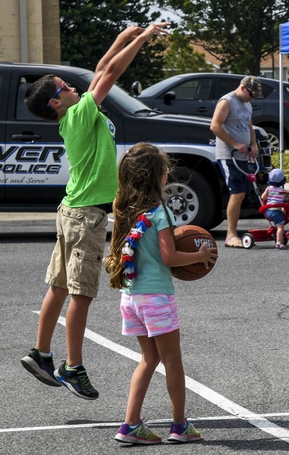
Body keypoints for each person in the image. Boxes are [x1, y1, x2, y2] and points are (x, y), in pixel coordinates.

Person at [20, 22, 169, 401]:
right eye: (64, 88)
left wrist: (124, 35)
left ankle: (40, 353)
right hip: (85, 216)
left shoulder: (75, 112)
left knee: (58, 286)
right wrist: (144, 37)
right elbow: (112, 73)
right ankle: (73, 367)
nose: (72, 87)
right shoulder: (81, 114)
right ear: (56, 102)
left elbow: (102, 66)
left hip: (72, 210)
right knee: (81, 294)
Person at [103, 143, 217, 445]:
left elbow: (118, 253)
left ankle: (130, 425)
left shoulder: (122, 207)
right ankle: (179, 425)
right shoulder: (159, 212)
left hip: (130, 297)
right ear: (155, 177)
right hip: (156, 298)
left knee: (148, 359)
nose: (168, 173)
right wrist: (199, 256)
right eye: (165, 170)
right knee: (172, 361)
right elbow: (169, 257)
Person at [211, 76, 262, 248]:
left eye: (255, 96)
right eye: (251, 94)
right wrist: (234, 144)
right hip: (228, 155)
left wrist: (253, 145)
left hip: (244, 156)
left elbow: (249, 127)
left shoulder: (247, 105)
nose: (252, 98)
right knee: (237, 193)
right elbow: (215, 126)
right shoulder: (227, 102)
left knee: (242, 195)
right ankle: (230, 235)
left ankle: (234, 232)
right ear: (242, 87)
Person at [261, 168, 289, 249]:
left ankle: (280, 239)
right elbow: (282, 200)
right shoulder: (283, 190)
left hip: (268, 210)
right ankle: (278, 243)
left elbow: (263, 197)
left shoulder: (269, 188)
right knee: (281, 226)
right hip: (276, 211)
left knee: (279, 223)